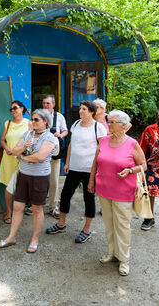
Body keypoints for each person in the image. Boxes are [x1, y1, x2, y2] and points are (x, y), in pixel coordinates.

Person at [88, 110, 146, 276]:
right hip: (104, 188)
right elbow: (95, 163)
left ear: (122, 125)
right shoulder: (104, 140)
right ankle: (112, 253)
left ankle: (124, 259)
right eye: (109, 121)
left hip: (123, 191)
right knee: (108, 223)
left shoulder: (131, 143)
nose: (109, 124)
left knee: (122, 225)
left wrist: (129, 170)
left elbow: (144, 165)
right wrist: (91, 181)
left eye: (112, 121)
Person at [45, 100, 106, 243]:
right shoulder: (76, 124)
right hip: (74, 167)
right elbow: (72, 143)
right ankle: (61, 224)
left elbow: (101, 150)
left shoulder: (98, 127)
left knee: (88, 197)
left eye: (84, 109)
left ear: (91, 112)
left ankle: (87, 229)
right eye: (80, 108)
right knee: (65, 195)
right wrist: (67, 162)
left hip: (89, 169)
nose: (80, 111)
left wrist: (97, 170)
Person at [0, 109, 56, 253]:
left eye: (36, 120)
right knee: (17, 206)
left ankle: (34, 239)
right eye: (32, 119)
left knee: (37, 208)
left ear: (45, 121)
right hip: (23, 175)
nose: (32, 122)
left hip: (39, 177)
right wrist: (23, 148)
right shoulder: (27, 134)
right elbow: (13, 151)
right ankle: (11, 237)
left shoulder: (49, 137)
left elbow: (40, 157)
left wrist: (23, 157)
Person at [0, 100, 31, 224]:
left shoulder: (28, 123)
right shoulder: (7, 123)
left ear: (22, 109)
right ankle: (8, 211)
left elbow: (32, 140)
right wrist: (7, 148)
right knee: (9, 186)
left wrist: (22, 152)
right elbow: (2, 140)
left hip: (22, 159)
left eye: (15, 108)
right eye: (11, 109)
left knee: (21, 187)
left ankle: (19, 212)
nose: (13, 110)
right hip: (8, 158)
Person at [42, 95, 68, 218]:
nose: (45, 105)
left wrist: (60, 135)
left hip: (54, 154)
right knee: (39, 181)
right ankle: (35, 205)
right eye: (44, 103)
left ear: (53, 104)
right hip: (40, 154)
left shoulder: (59, 117)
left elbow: (65, 131)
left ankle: (53, 207)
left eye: (48, 103)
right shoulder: (39, 115)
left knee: (54, 182)